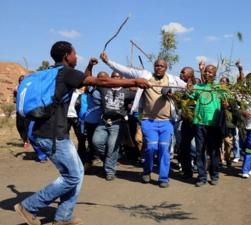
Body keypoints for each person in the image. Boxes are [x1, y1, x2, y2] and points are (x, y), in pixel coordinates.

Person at [14, 41, 150, 225]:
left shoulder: (55, 73)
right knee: (72, 176)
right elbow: (99, 81)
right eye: (74, 53)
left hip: (50, 132)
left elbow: (84, 79)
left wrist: (89, 67)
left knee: (76, 173)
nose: (76, 56)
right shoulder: (66, 73)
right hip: (52, 135)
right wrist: (133, 81)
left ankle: (63, 218)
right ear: (66, 56)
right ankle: (29, 206)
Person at [100, 52, 186, 188]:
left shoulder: (173, 80)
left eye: (162, 66)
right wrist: (108, 62)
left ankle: (163, 178)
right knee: (151, 147)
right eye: (157, 65)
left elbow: (188, 89)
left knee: (164, 148)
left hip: (167, 122)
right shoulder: (145, 76)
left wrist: (173, 93)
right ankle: (147, 171)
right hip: (148, 120)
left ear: (166, 68)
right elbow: (125, 70)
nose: (159, 68)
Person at [189, 61, 227, 187]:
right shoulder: (198, 87)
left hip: (213, 124)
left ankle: (214, 175)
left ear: (215, 74)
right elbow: (190, 95)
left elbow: (227, 103)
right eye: (205, 71)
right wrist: (189, 88)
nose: (207, 73)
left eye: (210, 72)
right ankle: (201, 176)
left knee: (214, 151)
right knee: (200, 151)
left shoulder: (220, 89)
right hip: (199, 123)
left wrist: (226, 103)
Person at [92, 71, 136, 181]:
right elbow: (89, 78)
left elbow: (141, 95)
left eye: (118, 77)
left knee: (112, 147)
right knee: (96, 142)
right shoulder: (103, 88)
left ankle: (110, 171)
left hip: (118, 124)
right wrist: (90, 66)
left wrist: (132, 102)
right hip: (103, 122)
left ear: (122, 78)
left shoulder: (127, 92)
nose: (115, 79)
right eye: (113, 77)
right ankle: (109, 161)